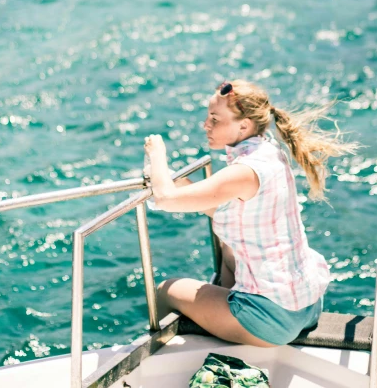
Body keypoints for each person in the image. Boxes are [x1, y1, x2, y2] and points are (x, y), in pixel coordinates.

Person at [144, 79, 358, 348]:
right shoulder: (269, 152)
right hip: (307, 306)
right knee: (229, 253)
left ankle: (173, 352)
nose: (205, 125)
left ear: (243, 125)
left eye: (214, 119)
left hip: (274, 320)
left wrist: (157, 155)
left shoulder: (243, 171)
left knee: (163, 291)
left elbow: (165, 199)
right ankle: (227, 317)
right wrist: (184, 187)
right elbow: (226, 208)